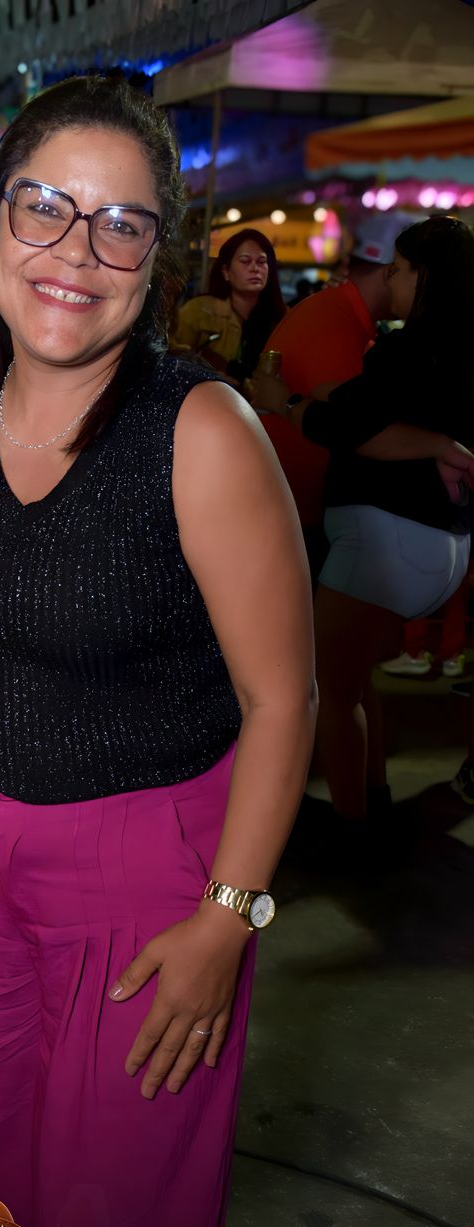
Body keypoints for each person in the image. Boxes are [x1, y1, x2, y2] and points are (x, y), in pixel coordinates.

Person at [0, 76, 316, 1227]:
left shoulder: (201, 432)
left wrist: (229, 919)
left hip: (150, 885)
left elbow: (282, 698)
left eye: (119, 225)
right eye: (45, 208)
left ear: (155, 256)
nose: (76, 253)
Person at [251, 216, 474, 825]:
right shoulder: (455, 349)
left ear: (426, 277)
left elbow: (349, 426)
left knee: (328, 690)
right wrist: (435, 444)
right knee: (353, 682)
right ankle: (373, 806)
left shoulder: (409, 348)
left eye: (399, 271)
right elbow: (373, 413)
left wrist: (282, 401)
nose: (390, 283)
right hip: (438, 541)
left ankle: (355, 833)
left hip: (387, 537)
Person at [257, 214, 408, 579]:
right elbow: (355, 431)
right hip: (296, 521)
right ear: (390, 272)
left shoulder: (341, 314)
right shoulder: (335, 320)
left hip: (294, 513)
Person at [173, 228, 286, 385]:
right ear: (226, 271)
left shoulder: (284, 318)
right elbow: (175, 363)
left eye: (261, 262)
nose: (254, 268)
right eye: (245, 261)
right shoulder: (198, 311)